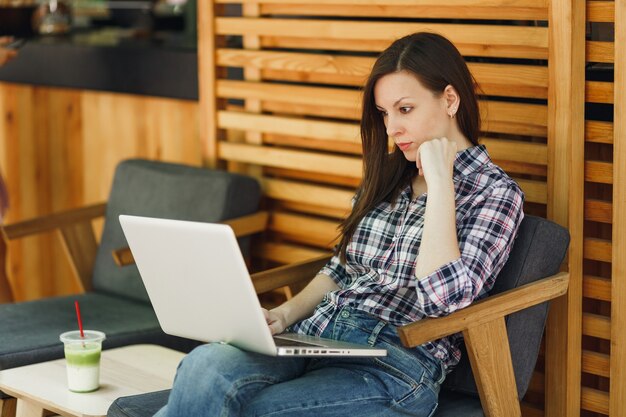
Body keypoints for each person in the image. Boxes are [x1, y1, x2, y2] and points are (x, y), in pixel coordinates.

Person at [155, 32, 525, 417]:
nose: (391, 128)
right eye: (384, 113)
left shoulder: (495, 193)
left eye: (405, 109)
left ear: (449, 99)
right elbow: (342, 267)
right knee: (203, 367)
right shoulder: (389, 178)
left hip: (393, 366)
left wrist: (441, 182)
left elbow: (443, 300)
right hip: (318, 338)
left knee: (254, 410)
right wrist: (285, 313)